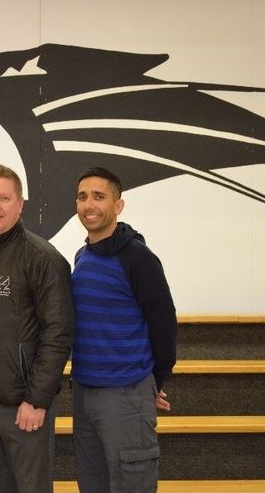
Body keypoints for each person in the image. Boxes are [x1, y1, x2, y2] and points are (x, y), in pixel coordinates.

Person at [0, 163, 75, 493]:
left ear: (20, 203)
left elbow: (59, 332)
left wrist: (37, 400)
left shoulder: (43, 258)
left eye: (4, 198)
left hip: (24, 408)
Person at [71, 167, 178, 493]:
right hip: (84, 394)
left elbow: (164, 322)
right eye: (82, 196)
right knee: (92, 485)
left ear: (118, 205)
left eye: (99, 196)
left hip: (126, 396)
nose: (89, 204)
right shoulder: (83, 255)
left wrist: (153, 381)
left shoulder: (137, 257)